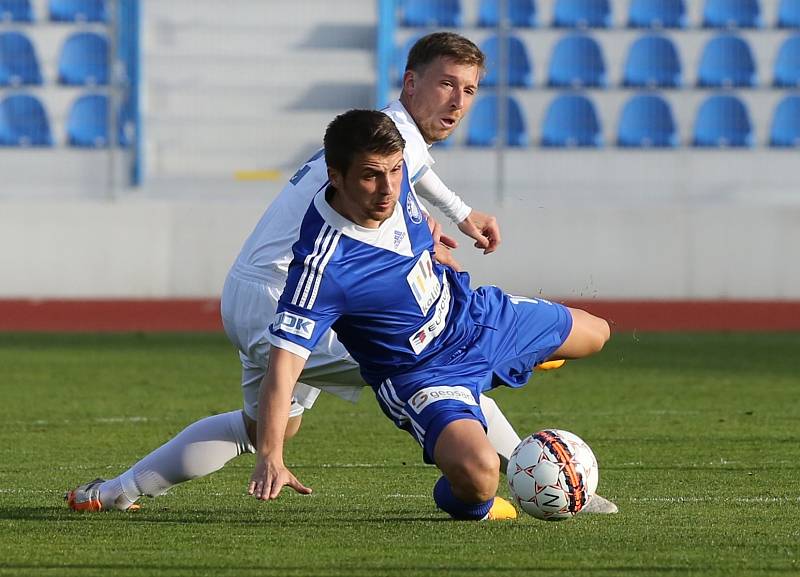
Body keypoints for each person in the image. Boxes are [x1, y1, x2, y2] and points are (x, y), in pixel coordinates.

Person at [67, 32, 581, 517]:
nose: (457, 102)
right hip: (287, 292)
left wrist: (427, 238)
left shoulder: (371, 144)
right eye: (446, 83)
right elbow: (418, 179)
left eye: (468, 90)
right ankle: (538, 475)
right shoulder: (391, 132)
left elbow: (409, 192)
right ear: (410, 84)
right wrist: (466, 216)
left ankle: (114, 492)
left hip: (253, 290)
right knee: (435, 357)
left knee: (264, 427)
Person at [250, 109, 611, 521]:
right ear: (335, 177)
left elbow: (410, 228)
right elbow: (282, 370)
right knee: (480, 477)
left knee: (597, 333)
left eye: (396, 170)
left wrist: (434, 247)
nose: (387, 187)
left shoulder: (395, 189)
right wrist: (270, 457)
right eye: (371, 175)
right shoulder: (323, 267)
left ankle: (520, 356)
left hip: (473, 318)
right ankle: (460, 496)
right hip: (423, 372)